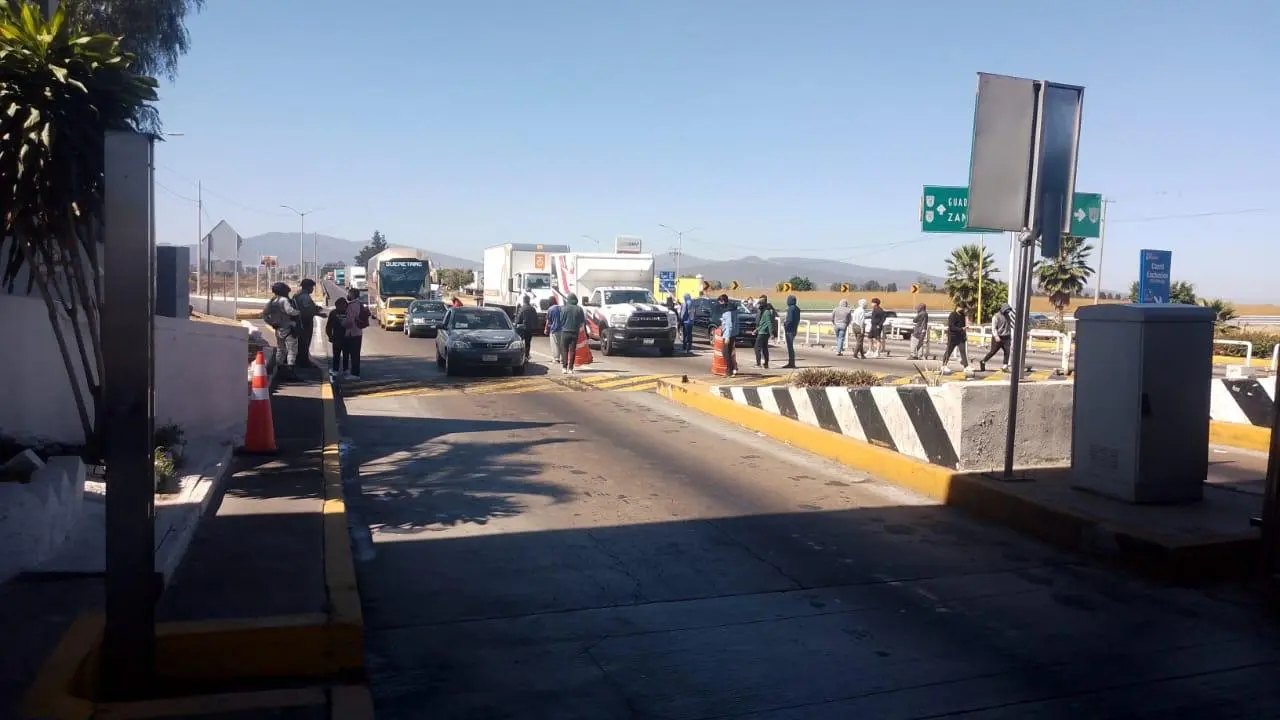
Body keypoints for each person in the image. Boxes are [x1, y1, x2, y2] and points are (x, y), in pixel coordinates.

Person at [262, 282, 300, 374]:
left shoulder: (272, 301)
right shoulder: (284, 300)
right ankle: (290, 371)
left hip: (278, 329)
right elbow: (290, 311)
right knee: (292, 350)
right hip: (288, 328)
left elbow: (264, 314)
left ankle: (279, 369)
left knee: (280, 349)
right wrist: (298, 312)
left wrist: (271, 323)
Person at [291, 279, 326, 368]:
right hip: (304, 322)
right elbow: (306, 311)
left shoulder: (298, 294)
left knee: (302, 342)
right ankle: (304, 362)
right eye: (312, 287)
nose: (312, 289)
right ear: (307, 287)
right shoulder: (304, 297)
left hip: (299, 321)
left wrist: (316, 308)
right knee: (305, 342)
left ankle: (301, 360)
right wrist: (319, 314)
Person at [342, 287, 369, 380]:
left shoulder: (351, 305)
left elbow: (349, 321)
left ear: (352, 295)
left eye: (349, 294)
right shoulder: (360, 304)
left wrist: (342, 323)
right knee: (356, 354)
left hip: (351, 333)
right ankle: (355, 373)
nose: (348, 295)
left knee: (353, 354)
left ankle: (354, 374)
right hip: (358, 332)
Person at [980, 303, 1014, 372]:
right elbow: (993, 328)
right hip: (998, 337)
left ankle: (1005, 366)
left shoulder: (1008, 316)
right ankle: (983, 361)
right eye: (1007, 310)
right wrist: (996, 336)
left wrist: (1010, 336)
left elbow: (1008, 327)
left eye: (1009, 310)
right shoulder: (996, 316)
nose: (1008, 311)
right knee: (993, 351)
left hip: (1006, 337)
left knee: (1007, 351)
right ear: (1003, 309)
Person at [559, 293, 586, 374]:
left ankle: (564, 367)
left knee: (564, 350)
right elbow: (582, 322)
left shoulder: (564, 308)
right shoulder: (579, 309)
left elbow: (561, 320)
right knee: (572, 350)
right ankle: (570, 368)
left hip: (565, 332)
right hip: (575, 332)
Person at [325, 297, 349, 379]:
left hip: (347, 337)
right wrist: (330, 336)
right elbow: (328, 326)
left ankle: (345, 370)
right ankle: (336, 370)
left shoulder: (348, 312)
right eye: (339, 305)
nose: (341, 307)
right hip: (336, 338)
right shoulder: (333, 313)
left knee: (346, 355)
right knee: (336, 355)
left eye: (343, 305)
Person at [941, 303, 969, 373]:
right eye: (962, 308)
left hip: (961, 337)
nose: (963, 310)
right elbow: (951, 327)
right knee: (948, 351)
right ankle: (943, 366)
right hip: (953, 337)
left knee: (963, 351)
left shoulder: (963, 315)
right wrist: (961, 329)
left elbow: (964, 326)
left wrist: (964, 333)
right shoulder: (952, 315)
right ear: (958, 307)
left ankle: (966, 367)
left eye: (964, 309)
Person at [718, 294, 737, 377]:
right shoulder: (731, 310)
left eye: (720, 302)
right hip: (731, 334)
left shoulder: (728, 312)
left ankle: (729, 370)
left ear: (723, 301)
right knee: (728, 352)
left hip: (728, 335)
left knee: (725, 352)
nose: (719, 304)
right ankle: (732, 369)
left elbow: (729, 325)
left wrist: (727, 337)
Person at [754, 295, 775, 368]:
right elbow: (762, 323)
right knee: (764, 348)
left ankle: (758, 364)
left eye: (761, 302)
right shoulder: (764, 311)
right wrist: (756, 330)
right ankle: (766, 364)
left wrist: (771, 334)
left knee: (757, 348)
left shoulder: (766, 312)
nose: (759, 304)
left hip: (763, 333)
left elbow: (769, 323)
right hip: (762, 331)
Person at [515, 295, 538, 363]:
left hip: (522, 328)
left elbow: (518, 319)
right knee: (528, 343)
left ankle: (521, 356)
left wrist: (516, 324)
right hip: (530, 328)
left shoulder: (522, 309)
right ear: (529, 300)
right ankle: (526, 356)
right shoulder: (532, 309)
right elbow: (535, 319)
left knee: (521, 342)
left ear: (523, 300)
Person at [782, 295, 799, 368]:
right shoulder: (797, 308)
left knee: (790, 347)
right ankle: (791, 362)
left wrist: (785, 325)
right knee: (790, 346)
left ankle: (791, 362)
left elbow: (789, 320)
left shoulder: (791, 309)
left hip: (789, 330)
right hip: (794, 329)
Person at [546, 295, 563, 364]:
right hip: (562, 329)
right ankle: (562, 359)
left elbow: (548, 321)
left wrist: (546, 329)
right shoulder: (561, 308)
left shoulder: (550, 309)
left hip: (554, 329)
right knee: (562, 344)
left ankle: (556, 359)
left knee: (555, 344)